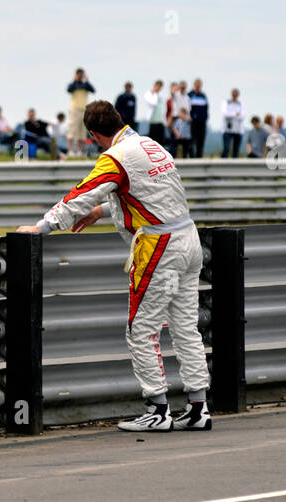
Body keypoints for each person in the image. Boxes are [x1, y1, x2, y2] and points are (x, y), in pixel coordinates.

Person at [16, 101, 210, 432]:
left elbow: (82, 193)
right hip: (189, 240)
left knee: (141, 329)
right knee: (185, 327)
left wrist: (42, 227)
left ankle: (158, 410)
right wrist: (102, 212)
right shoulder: (149, 144)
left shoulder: (115, 157)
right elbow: (149, 194)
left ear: (93, 135)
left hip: (159, 248)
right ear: (119, 121)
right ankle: (198, 408)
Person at [67, 68, 96, 157]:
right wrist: (75, 80)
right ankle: (70, 151)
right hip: (75, 109)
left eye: (81, 74)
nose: (80, 76)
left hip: (84, 109)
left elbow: (93, 90)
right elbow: (69, 89)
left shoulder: (85, 85)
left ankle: (79, 151)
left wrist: (87, 80)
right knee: (72, 130)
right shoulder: (73, 85)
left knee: (81, 131)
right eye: (79, 74)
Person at [188, 78, 209, 158]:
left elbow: (206, 108)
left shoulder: (203, 96)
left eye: (199, 85)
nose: (198, 86)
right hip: (193, 122)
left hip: (202, 122)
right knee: (192, 140)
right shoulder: (189, 95)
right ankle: (192, 157)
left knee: (201, 141)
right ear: (194, 85)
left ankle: (199, 157)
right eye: (197, 85)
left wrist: (205, 118)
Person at [220, 88, 244, 158]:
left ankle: (235, 166)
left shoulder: (240, 104)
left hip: (238, 130)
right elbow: (225, 114)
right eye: (234, 94)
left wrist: (231, 114)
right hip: (227, 129)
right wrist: (235, 114)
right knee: (226, 148)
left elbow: (242, 116)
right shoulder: (226, 103)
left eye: (236, 95)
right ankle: (223, 164)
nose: (235, 96)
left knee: (236, 150)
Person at [143, 80, 166, 144]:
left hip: (161, 121)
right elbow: (153, 103)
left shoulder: (161, 95)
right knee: (153, 140)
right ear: (155, 86)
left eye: (160, 87)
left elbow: (164, 108)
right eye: (158, 86)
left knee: (161, 141)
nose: (159, 88)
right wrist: (154, 93)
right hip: (153, 121)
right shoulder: (148, 94)